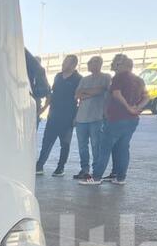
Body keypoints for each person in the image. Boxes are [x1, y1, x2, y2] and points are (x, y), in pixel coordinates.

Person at [80, 55, 147, 186]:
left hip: (116, 118)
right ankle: (120, 177)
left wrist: (127, 107)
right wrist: (137, 108)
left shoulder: (119, 77)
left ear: (122, 65)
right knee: (123, 148)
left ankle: (96, 177)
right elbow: (147, 97)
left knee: (104, 148)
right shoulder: (139, 80)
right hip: (132, 120)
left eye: (117, 63)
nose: (114, 65)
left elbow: (116, 94)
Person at [35, 54, 81, 176]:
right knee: (47, 141)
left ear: (73, 64)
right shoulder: (58, 76)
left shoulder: (78, 79)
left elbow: (80, 99)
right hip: (53, 115)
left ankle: (60, 167)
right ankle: (39, 165)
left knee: (64, 144)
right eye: (64, 61)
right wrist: (44, 109)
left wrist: (76, 117)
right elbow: (52, 94)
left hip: (68, 117)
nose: (63, 64)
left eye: (66, 62)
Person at [73, 55, 111, 181]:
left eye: (93, 62)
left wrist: (85, 92)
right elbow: (77, 95)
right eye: (89, 63)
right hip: (81, 118)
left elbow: (101, 90)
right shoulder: (84, 79)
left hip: (97, 118)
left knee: (96, 145)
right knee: (82, 146)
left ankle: (96, 172)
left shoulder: (106, 77)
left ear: (100, 64)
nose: (90, 65)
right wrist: (92, 92)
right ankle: (84, 170)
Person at [26, 50, 51, 120]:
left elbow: (49, 97)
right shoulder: (27, 76)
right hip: (25, 109)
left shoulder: (43, 80)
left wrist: (41, 111)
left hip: (34, 109)